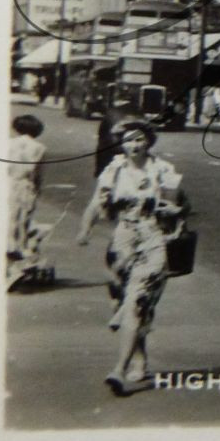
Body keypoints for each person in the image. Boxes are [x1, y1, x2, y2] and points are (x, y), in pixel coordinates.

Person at [76, 120, 188, 396]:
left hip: (154, 239)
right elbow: (96, 202)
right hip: (122, 242)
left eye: (139, 140)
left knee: (135, 302)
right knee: (126, 304)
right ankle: (140, 360)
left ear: (149, 141)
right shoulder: (114, 170)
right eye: (128, 140)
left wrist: (175, 210)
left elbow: (182, 204)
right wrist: (84, 230)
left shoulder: (163, 170)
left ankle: (118, 370)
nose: (134, 145)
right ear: (121, 143)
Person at [6, 114, 47, 286]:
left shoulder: (8, 143)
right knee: (23, 221)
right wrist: (37, 189)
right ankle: (22, 253)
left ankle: (9, 253)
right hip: (26, 185)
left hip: (8, 183)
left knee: (9, 220)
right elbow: (38, 173)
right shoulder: (39, 147)